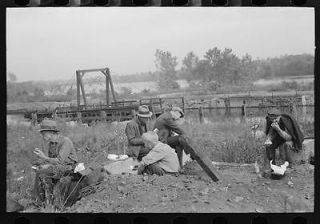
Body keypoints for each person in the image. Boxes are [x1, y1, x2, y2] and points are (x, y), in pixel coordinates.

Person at [32, 119, 78, 207]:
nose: (41, 135)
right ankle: (46, 201)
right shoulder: (52, 144)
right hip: (59, 167)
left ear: (51, 132)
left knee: (41, 172)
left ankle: (38, 202)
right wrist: (40, 161)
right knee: (40, 171)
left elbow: (60, 161)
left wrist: (44, 157)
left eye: (43, 133)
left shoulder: (65, 141)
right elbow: (52, 160)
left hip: (69, 167)